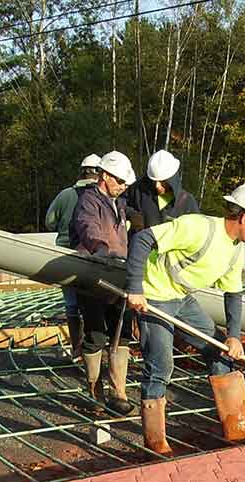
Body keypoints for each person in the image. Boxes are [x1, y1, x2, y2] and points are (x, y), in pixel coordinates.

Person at [125, 181, 245, 456]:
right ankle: (155, 444)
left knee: (221, 352)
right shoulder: (198, 227)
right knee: (161, 365)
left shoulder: (235, 250)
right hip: (154, 294)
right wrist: (135, 288)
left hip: (181, 297)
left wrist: (234, 337)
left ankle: (238, 423)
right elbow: (143, 239)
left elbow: (233, 294)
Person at [71, 151, 137, 415]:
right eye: (120, 181)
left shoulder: (117, 203)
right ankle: (95, 392)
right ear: (106, 176)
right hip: (95, 275)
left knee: (121, 332)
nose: (123, 186)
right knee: (95, 334)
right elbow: (87, 227)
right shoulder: (88, 201)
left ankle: (119, 392)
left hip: (119, 274)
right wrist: (100, 248)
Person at [46, 153, 101, 359]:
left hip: (65, 256)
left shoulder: (65, 195)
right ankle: (94, 350)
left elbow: (50, 222)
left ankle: (77, 350)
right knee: (95, 304)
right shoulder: (101, 197)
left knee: (72, 306)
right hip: (93, 257)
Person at [125, 149, 199, 235]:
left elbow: (196, 233)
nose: (157, 185)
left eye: (163, 181)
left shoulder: (187, 202)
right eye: (154, 181)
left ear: (172, 179)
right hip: (140, 242)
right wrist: (131, 213)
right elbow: (119, 203)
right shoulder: (137, 191)